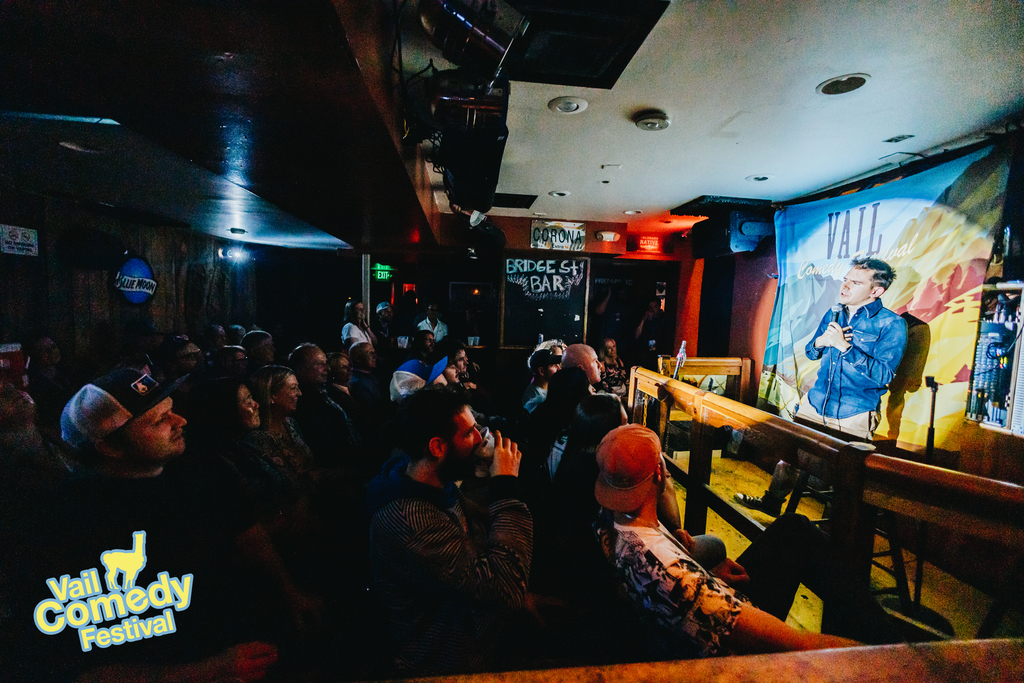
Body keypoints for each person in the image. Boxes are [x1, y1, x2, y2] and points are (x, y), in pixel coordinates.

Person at [2, 368, 323, 682]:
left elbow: (246, 532)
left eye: (172, 411)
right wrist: (209, 672)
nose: (180, 421)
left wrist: (291, 593)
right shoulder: (65, 521)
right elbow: (73, 663)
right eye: (159, 420)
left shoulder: (204, 471)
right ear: (110, 447)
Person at [595, 424, 893, 658]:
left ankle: (876, 628)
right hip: (730, 652)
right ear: (660, 473)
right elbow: (799, 645)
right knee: (857, 625)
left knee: (793, 528)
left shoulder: (608, 522)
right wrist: (891, 660)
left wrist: (709, 576)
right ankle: (892, 643)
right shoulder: (682, 582)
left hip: (683, 614)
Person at [366, 386, 531, 676]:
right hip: (448, 663)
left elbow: (469, 525)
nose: (480, 438)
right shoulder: (411, 521)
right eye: (468, 434)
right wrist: (506, 489)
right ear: (437, 448)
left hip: (473, 635)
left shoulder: (424, 478)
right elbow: (505, 590)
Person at [737, 257, 908, 515]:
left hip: (854, 411)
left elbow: (884, 374)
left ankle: (834, 535)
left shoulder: (891, 324)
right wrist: (820, 343)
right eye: (847, 279)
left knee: (845, 477)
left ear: (876, 291)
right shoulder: (834, 312)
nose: (846, 285)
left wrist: (845, 347)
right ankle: (771, 504)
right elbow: (811, 351)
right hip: (816, 402)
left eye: (856, 282)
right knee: (789, 458)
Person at [522, 348, 561, 414]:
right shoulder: (535, 399)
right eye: (553, 366)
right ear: (541, 371)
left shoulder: (548, 389)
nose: (559, 368)